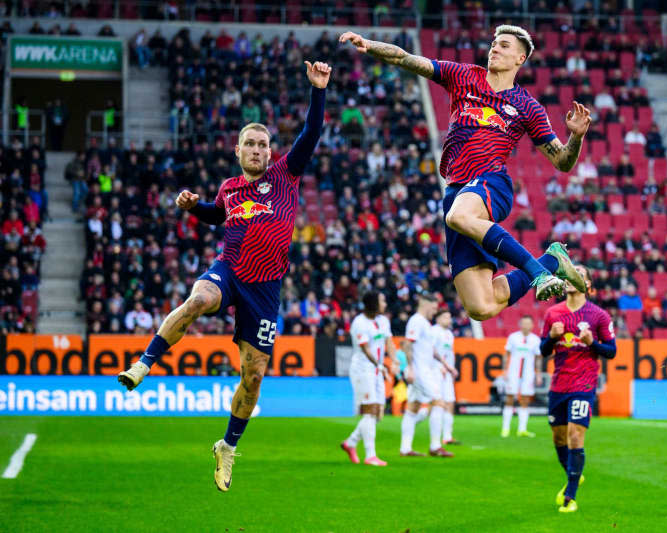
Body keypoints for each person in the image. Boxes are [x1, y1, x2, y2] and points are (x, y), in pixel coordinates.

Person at [117, 60, 332, 492]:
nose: (256, 150)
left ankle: (228, 446)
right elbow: (217, 215)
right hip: (228, 271)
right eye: (249, 144)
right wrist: (194, 207)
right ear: (238, 151)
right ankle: (144, 363)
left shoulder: (286, 176)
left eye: (263, 144)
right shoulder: (230, 188)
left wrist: (318, 91)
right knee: (198, 300)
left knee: (253, 377)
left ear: (271, 152)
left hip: (265, 289)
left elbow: (311, 133)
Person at [339, 26, 590, 323]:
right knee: (480, 308)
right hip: (455, 191)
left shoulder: (527, 106)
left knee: (458, 217)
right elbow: (407, 59)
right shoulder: (463, 76)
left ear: (520, 58)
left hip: (490, 181)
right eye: (494, 44)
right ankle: (552, 260)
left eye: (504, 46)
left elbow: (562, 161)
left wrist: (575, 138)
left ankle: (537, 272)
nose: (494, 49)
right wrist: (369, 44)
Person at [541, 265, 616, 513]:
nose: (572, 278)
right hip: (559, 384)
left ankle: (570, 497)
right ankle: (574, 474)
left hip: (583, 383)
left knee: (575, 436)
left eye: (579, 275)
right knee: (559, 438)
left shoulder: (599, 316)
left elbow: (612, 351)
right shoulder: (553, 313)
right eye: (568, 275)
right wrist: (551, 337)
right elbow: (543, 351)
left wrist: (592, 343)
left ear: (588, 285)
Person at [341, 291, 397, 467]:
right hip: (362, 370)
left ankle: (350, 443)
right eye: (382, 301)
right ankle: (370, 455)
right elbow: (365, 349)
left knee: (378, 413)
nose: (385, 304)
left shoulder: (383, 321)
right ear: (373, 303)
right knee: (369, 411)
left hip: (376, 371)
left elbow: (389, 342)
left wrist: (393, 361)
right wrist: (379, 365)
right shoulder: (359, 323)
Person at [399, 293, 454, 457]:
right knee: (439, 402)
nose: (435, 311)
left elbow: (431, 349)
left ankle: (405, 448)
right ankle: (435, 446)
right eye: (434, 308)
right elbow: (408, 343)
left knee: (413, 408)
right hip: (420, 371)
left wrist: (446, 365)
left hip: (424, 370)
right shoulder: (416, 321)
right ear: (426, 305)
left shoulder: (425, 324)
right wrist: (410, 368)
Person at [501, 315, 541, 438]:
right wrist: (505, 370)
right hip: (513, 372)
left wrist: (538, 374)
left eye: (528, 323)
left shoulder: (535, 339)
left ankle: (522, 429)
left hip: (528, 373)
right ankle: (505, 429)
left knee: (525, 400)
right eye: (524, 323)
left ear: (532, 325)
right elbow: (506, 354)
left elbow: (538, 358)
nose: (526, 325)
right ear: (520, 324)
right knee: (509, 398)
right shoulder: (513, 337)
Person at [431, 308, 460, 445]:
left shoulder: (449, 334)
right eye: (446, 317)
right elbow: (430, 351)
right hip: (436, 370)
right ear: (438, 319)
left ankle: (447, 436)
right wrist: (441, 366)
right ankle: (437, 436)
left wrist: (452, 368)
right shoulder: (433, 331)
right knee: (439, 402)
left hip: (447, 371)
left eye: (449, 317)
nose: (449, 320)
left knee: (450, 401)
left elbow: (450, 353)